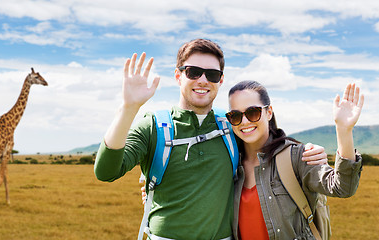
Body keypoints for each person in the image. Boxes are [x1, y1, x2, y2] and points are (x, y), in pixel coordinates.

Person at [94, 39, 327, 239]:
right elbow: (105, 171)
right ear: (178, 76)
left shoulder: (231, 126)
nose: (203, 80)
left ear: (220, 81)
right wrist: (128, 107)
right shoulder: (153, 125)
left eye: (212, 74)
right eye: (193, 72)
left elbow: (265, 141)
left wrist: (306, 150)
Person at [228, 80, 363, 239]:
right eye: (235, 115)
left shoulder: (295, 156)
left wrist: (344, 130)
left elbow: (343, 187)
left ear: (269, 112)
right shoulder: (230, 164)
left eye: (253, 112)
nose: (244, 122)